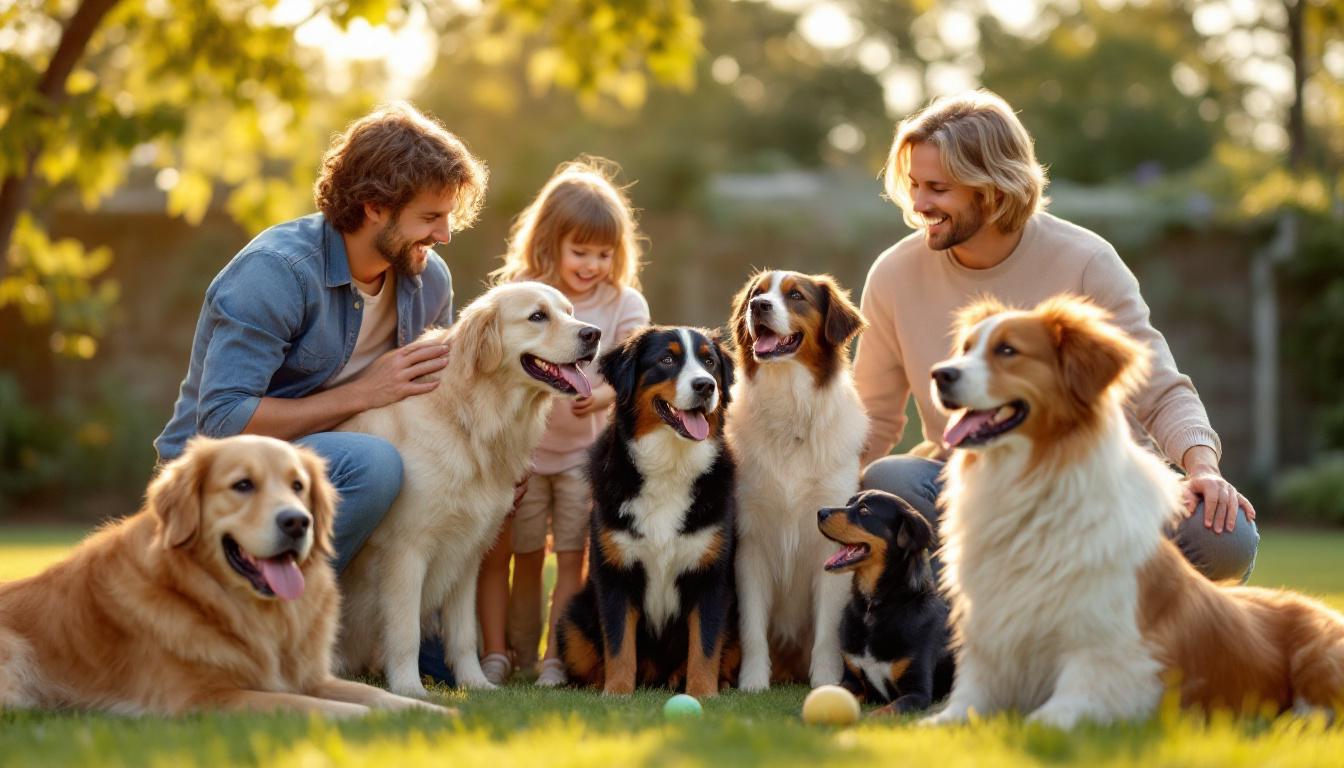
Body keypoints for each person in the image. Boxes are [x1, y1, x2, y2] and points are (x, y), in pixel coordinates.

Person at [853, 90, 1259, 582]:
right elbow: (872, 418)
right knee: (890, 482)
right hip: (976, 487)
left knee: (1225, 537)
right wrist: (815, 490)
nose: (918, 204)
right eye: (914, 185)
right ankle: (966, 629)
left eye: (937, 188)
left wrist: (1203, 468)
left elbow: (1160, 388)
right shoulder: (894, 274)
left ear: (992, 188)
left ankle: (1119, 623)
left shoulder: (1087, 261)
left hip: (1098, 486)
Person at [154, 101, 488, 581]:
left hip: (331, 471)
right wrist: (363, 393)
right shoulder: (276, 272)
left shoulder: (428, 278)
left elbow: (441, 400)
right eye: (431, 217)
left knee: (432, 475)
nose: (445, 234)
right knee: (375, 463)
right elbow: (225, 422)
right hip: (224, 480)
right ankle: (273, 618)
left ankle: (378, 630)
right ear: (376, 207)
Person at [475, 157, 651, 686]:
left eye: (604, 253)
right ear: (549, 243)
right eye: (580, 251)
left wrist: (598, 396)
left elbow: (636, 367)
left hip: (582, 460)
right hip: (521, 458)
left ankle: (556, 656)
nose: (592, 264)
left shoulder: (624, 302)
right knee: (518, 555)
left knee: (572, 557)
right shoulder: (522, 294)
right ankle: (505, 652)